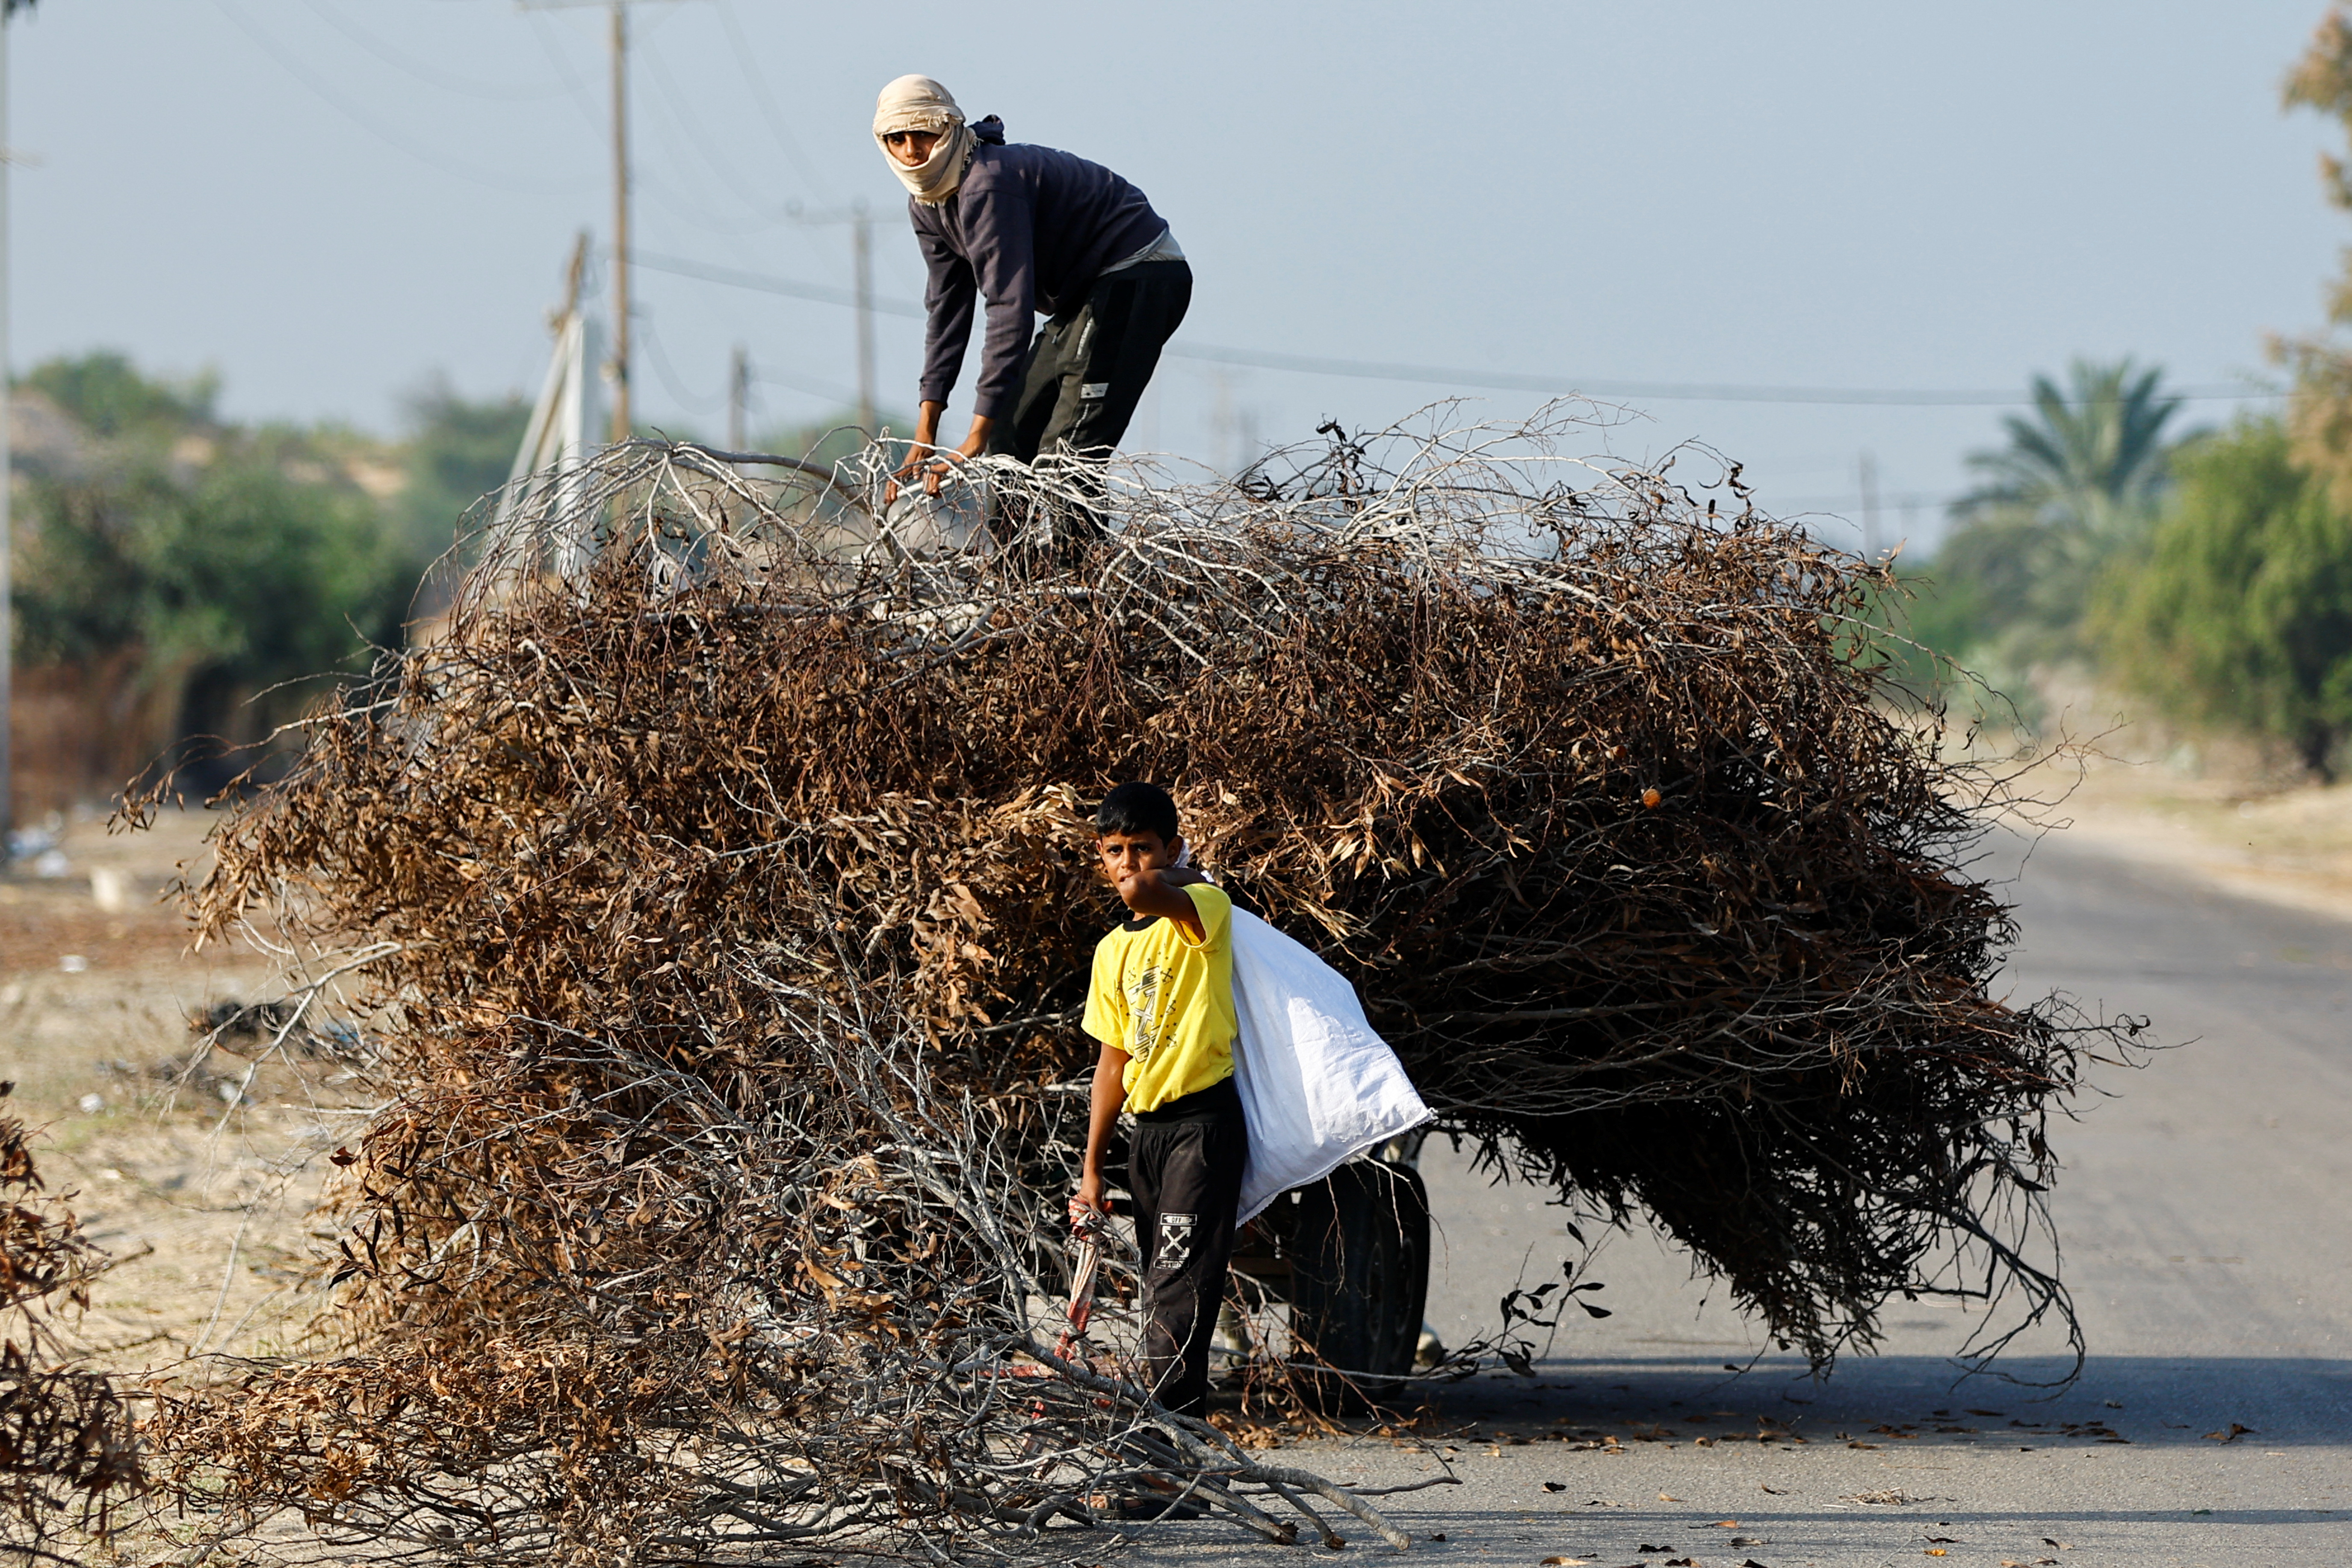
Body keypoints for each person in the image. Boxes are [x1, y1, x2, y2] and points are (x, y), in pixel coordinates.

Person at [872, 75, 1192, 533]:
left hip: (1139, 273)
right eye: (895, 138)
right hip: (1083, 295)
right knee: (1008, 435)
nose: (911, 150)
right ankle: (1012, 590)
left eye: (923, 133)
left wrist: (971, 439)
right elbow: (947, 310)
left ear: (950, 129)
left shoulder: (986, 184)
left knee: (1066, 459)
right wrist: (927, 429)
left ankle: (1078, 595)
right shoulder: (927, 203)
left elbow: (1008, 309)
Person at [1074, 781, 1248, 1432]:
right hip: (1147, 1135)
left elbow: (1147, 892)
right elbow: (1111, 1065)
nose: (1127, 862)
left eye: (1143, 847)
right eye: (1114, 850)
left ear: (1173, 848)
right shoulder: (1112, 950)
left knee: (1177, 1288)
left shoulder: (1204, 904)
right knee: (1163, 1287)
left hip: (1202, 1125)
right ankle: (1184, 1446)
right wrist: (1092, 1169)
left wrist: (1164, 873)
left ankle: (1163, 1453)